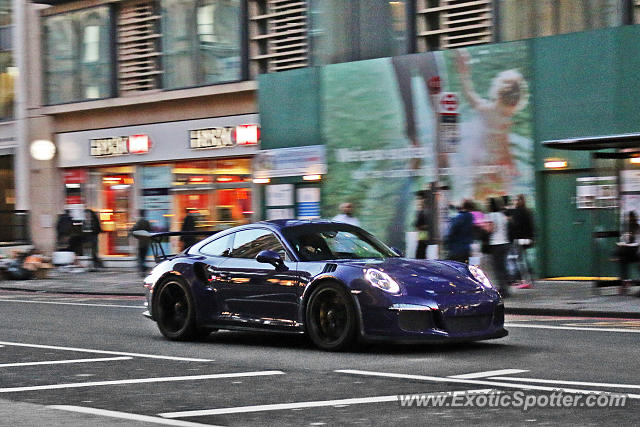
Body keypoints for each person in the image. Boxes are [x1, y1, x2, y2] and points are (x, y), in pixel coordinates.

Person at [456, 49, 529, 200]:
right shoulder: (505, 120)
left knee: (478, 198)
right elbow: (505, 148)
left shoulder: (485, 109)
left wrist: (464, 72)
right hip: (495, 167)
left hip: (481, 165)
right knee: (501, 198)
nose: (508, 115)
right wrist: (512, 165)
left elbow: (468, 93)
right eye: (509, 112)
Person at [486, 197, 511, 297]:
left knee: (497, 268)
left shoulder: (491, 215)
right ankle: (505, 288)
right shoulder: (502, 215)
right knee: (503, 267)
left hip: (496, 244)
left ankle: (503, 289)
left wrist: (484, 229)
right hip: (505, 243)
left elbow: (491, 229)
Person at [510, 194, 535, 286]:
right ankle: (529, 278)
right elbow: (531, 226)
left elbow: (515, 225)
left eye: (515, 200)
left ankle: (525, 280)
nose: (514, 202)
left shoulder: (518, 211)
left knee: (520, 260)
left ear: (519, 201)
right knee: (524, 259)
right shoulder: (528, 211)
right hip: (527, 238)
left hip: (519, 238)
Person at [445, 199, 475, 263]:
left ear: (463, 206)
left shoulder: (460, 217)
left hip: (456, 248)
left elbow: (452, 230)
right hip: (466, 249)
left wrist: (447, 242)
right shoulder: (471, 217)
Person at [616, 210, 640, 285]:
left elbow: (637, 242)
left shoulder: (637, 228)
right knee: (622, 258)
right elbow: (624, 239)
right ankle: (625, 280)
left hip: (636, 252)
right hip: (629, 252)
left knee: (623, 255)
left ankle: (626, 280)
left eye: (630, 218)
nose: (629, 220)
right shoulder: (626, 228)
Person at [131, 210, 152, 277]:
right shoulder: (146, 222)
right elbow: (150, 230)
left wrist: (137, 236)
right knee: (143, 257)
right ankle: (143, 269)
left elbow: (133, 230)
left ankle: (142, 269)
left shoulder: (139, 222)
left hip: (141, 243)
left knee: (141, 257)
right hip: (146, 242)